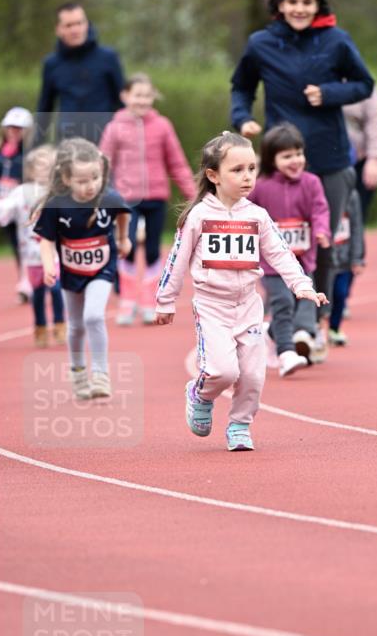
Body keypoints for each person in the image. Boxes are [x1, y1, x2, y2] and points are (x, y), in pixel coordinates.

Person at [230, 0, 374, 360]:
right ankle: (289, 322)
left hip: (328, 158)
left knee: (325, 246)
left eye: (306, 2)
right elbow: (241, 86)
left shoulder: (336, 41)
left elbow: (365, 84)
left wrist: (328, 93)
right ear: (279, 5)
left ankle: (315, 327)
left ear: (317, 5)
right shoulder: (261, 43)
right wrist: (242, 118)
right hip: (280, 160)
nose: (299, 8)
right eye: (292, 1)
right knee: (278, 242)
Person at [155, 132, 326, 451]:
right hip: (211, 307)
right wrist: (166, 301)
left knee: (252, 375)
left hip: (248, 306)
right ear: (213, 175)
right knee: (222, 370)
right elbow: (176, 260)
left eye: (251, 168)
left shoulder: (257, 215)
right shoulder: (198, 217)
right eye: (237, 170)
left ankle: (239, 425)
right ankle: (200, 394)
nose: (247, 177)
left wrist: (302, 285)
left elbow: (280, 253)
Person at [33, 138, 131, 399]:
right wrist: (47, 265)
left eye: (95, 178)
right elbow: (46, 240)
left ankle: (100, 374)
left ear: (101, 170)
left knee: (93, 316)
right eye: (82, 181)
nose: (90, 186)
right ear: (66, 178)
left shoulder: (108, 196)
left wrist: (123, 239)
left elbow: (123, 212)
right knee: (75, 326)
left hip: (102, 268)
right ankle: (78, 373)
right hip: (71, 271)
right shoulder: (56, 205)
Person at [99, 72, 196, 325]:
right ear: (125, 96)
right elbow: (103, 163)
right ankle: (127, 301)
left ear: (153, 97)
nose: (142, 100)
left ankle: (147, 301)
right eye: (137, 95)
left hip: (155, 197)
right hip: (125, 200)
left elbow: (177, 163)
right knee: (126, 247)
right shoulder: (114, 126)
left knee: (153, 250)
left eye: (146, 95)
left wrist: (195, 197)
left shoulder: (163, 125)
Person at [248, 123, 331, 373]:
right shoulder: (260, 186)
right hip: (271, 262)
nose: (295, 160)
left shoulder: (312, 182)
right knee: (283, 301)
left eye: (298, 154)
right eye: (287, 156)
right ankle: (287, 352)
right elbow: (246, 212)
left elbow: (320, 209)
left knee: (306, 298)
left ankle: (299, 332)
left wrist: (321, 231)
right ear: (272, 159)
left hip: (304, 259)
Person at [0, 145, 65, 347]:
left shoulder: (59, 192)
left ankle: (60, 324)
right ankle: (40, 327)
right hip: (32, 254)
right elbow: (4, 212)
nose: (44, 169)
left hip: (55, 253)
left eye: (49, 165)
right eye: (40, 165)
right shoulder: (21, 192)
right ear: (32, 169)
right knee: (38, 293)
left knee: (57, 288)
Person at [35, 3, 125, 145]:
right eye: (69, 25)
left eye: (79, 23)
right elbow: (45, 107)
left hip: (104, 140)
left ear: (87, 24)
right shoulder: (51, 64)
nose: (75, 29)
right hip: (68, 142)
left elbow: (122, 101)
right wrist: (36, 147)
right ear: (58, 29)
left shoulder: (108, 58)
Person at [0, 106, 34, 301]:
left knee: (27, 242)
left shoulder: (29, 155)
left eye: (18, 128)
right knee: (16, 244)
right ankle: (24, 279)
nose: (13, 131)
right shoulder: (0, 154)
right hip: (4, 206)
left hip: (25, 208)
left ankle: (31, 282)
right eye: (10, 127)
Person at [343, 82, 377, 223]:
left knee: (356, 217)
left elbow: (376, 120)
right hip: (321, 161)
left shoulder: (360, 78)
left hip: (358, 160)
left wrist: (374, 159)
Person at [329, 186, 364, 345]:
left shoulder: (352, 194)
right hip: (322, 257)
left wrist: (358, 257)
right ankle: (314, 330)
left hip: (344, 257)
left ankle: (334, 328)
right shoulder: (313, 189)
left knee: (340, 293)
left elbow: (357, 227)